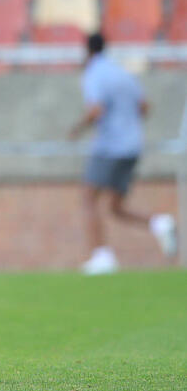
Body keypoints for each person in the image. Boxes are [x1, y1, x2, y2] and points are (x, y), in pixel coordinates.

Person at [69, 32, 178, 275]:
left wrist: (77, 129)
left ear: (87, 51)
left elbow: (96, 109)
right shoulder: (123, 73)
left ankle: (101, 256)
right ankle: (160, 223)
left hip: (110, 146)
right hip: (132, 146)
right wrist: (128, 122)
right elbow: (144, 107)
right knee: (115, 207)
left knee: (88, 198)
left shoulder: (94, 74)